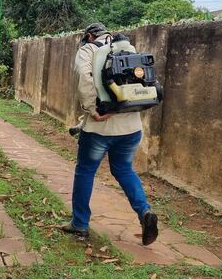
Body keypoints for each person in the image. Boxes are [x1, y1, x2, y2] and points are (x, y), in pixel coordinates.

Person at [61, 22, 159, 246]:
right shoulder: (128, 49)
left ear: (88, 35)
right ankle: (144, 212)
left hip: (100, 129)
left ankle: (80, 224)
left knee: (85, 171)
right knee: (124, 169)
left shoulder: (87, 50)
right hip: (132, 127)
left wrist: (93, 110)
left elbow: (85, 79)